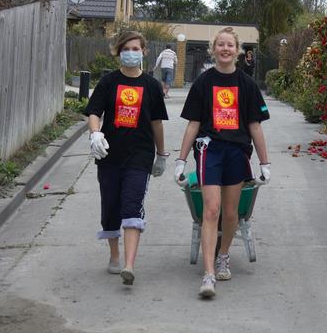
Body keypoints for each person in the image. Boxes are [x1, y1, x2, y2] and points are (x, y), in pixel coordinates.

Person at [174, 27, 270, 298]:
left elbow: (255, 126)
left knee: (230, 213)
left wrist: (265, 163)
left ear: (238, 51)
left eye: (230, 45)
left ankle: (223, 255)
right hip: (209, 150)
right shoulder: (204, 83)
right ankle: (208, 274)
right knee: (211, 210)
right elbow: (194, 124)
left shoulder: (247, 85)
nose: (226, 49)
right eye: (221, 45)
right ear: (213, 49)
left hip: (237, 152)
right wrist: (181, 160)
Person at [83, 31, 169, 286]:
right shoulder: (109, 82)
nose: (131, 52)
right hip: (110, 155)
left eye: (135, 48)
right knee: (111, 206)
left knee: (132, 206)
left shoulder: (152, 86)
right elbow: (94, 112)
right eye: (126, 48)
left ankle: (129, 265)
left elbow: (156, 123)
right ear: (118, 52)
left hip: (139, 156)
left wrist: (162, 155)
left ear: (144, 52)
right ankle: (114, 254)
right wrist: (95, 133)